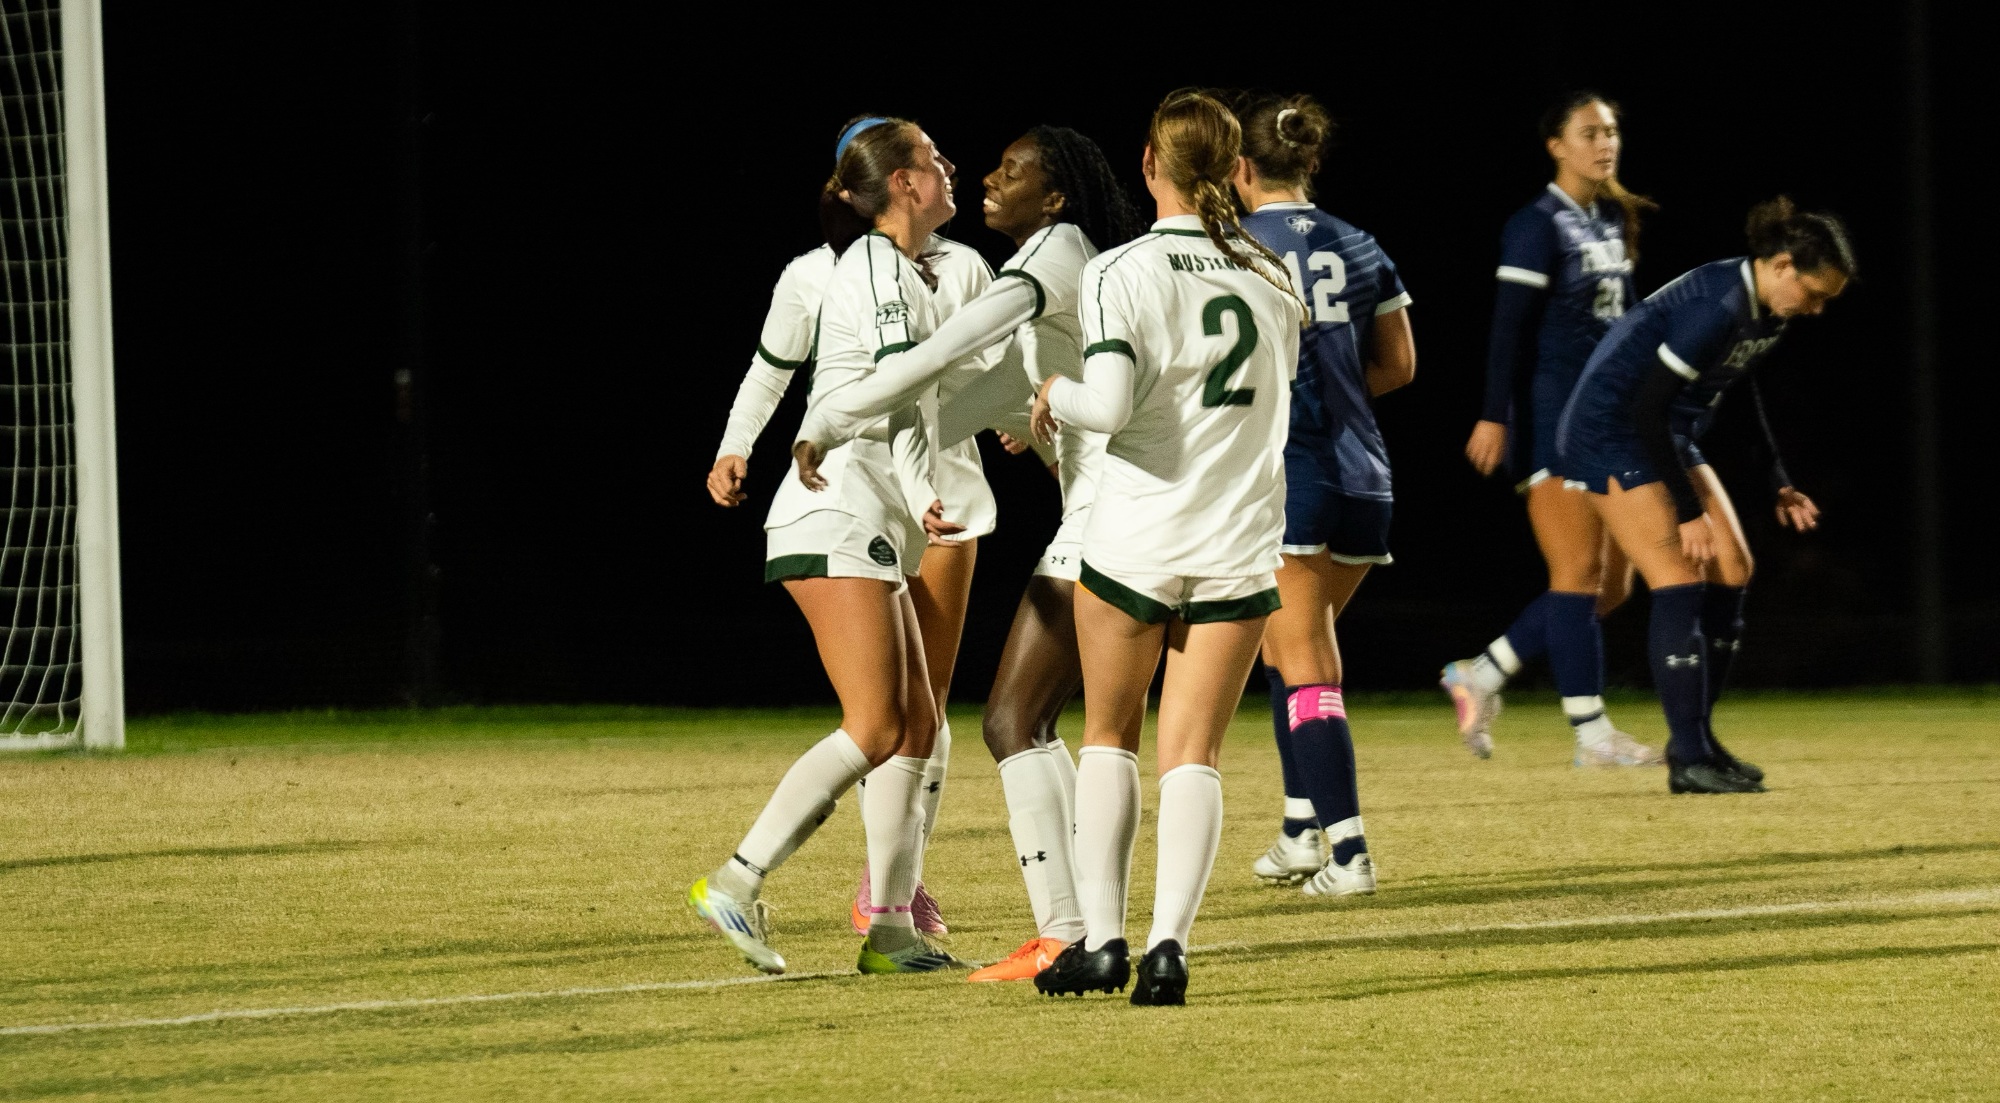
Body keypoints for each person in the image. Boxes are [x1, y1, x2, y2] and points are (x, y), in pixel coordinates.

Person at [794, 124, 1147, 982]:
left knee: (1011, 719)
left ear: (1055, 196)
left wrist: (832, 419)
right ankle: (1078, 926)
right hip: (1132, 520)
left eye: (1012, 170)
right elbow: (985, 391)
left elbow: (943, 354)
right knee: (1052, 724)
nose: (989, 177)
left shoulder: (1053, 256)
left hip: (1108, 524)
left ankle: (1069, 931)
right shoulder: (1076, 262)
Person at [1026, 89, 1303, 1006]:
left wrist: (1052, 394)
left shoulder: (1122, 269)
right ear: (1234, 168)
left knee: (1110, 735)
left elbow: (1104, 406)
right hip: (1238, 537)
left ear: (1149, 162)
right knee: (1196, 753)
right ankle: (1170, 948)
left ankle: (1103, 941)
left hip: (1139, 535)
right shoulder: (1272, 274)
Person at [705, 120, 1004, 939]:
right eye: (933, 157)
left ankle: (892, 921)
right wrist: (909, 481)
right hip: (841, 506)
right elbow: (892, 389)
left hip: (887, 510)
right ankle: (738, 880)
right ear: (898, 181)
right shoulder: (866, 265)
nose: (951, 166)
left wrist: (1040, 419)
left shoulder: (937, 264)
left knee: (914, 721)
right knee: (881, 723)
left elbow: (956, 383)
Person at [1554, 196, 1851, 794]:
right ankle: (1687, 758)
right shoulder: (1714, 306)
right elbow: (1645, 407)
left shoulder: (1766, 312)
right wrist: (1687, 514)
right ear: (1783, 265)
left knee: (1734, 569)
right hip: (1612, 431)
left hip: (1667, 430)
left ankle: (1702, 742)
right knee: (1680, 575)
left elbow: (1742, 389)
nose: (1816, 309)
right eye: (1815, 293)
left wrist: (1778, 479)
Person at [1439, 92, 1663, 768]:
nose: (1606, 142)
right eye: (1589, 132)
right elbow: (1508, 328)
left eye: (1612, 131)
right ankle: (1593, 737)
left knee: (1612, 585)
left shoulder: (1608, 218)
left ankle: (1480, 672)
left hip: (1610, 419)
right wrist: (1494, 413)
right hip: (1556, 419)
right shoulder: (1536, 224)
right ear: (1556, 146)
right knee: (1576, 575)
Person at [1230, 92, 1415, 897]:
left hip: (1290, 474)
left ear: (1239, 167)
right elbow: (1399, 364)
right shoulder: (1361, 241)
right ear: (1310, 162)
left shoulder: (1232, 244)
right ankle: (1303, 829)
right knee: (1291, 651)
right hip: (1365, 474)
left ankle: (1349, 853)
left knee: (1303, 661)